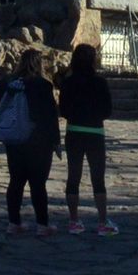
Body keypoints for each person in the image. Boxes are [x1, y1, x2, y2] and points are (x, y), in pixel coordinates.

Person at [0, 48, 61, 236]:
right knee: (38, 183)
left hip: (14, 137)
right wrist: (56, 141)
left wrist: (10, 110)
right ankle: (42, 225)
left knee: (16, 181)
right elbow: (51, 115)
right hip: (38, 139)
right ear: (39, 64)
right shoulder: (43, 85)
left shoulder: (11, 82)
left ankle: (14, 222)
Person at [57, 44, 116, 236]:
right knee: (98, 177)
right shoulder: (100, 82)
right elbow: (107, 110)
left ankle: (74, 220)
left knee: (73, 176)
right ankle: (102, 221)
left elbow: (63, 109)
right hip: (95, 132)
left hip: (74, 131)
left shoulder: (68, 82)